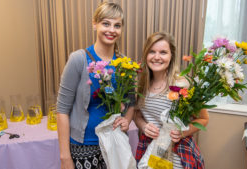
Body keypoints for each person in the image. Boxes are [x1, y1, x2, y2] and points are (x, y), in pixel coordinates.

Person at [56, 2, 134, 169]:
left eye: (117, 25)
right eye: (106, 23)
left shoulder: (125, 64)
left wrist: (126, 120)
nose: (111, 30)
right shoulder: (78, 59)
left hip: (115, 143)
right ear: (94, 24)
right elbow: (62, 110)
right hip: (83, 146)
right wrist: (65, 157)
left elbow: (131, 102)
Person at [134, 32, 209, 169]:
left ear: (171, 56)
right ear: (146, 55)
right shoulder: (143, 84)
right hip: (149, 150)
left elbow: (203, 119)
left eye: (163, 52)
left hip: (176, 154)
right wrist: (144, 126)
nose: (157, 57)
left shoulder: (183, 84)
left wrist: (183, 132)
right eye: (152, 52)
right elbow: (137, 114)